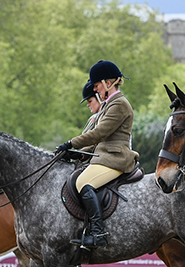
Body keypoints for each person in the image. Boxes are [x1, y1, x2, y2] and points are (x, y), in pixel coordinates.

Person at [55, 61, 139, 250]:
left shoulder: (120, 104)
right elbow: (96, 144)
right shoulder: (111, 104)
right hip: (103, 157)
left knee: (83, 183)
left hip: (115, 158)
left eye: (96, 85)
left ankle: (98, 232)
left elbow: (99, 134)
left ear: (108, 82)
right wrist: (73, 153)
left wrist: (71, 143)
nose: (95, 89)